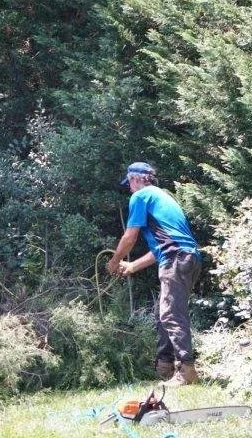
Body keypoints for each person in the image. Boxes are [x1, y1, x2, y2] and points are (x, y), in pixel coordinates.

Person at [107, 161, 201, 386]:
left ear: (137, 179)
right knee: (164, 311)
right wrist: (132, 266)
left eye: (129, 182)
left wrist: (115, 261)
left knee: (171, 314)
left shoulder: (141, 196)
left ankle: (186, 370)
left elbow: (130, 237)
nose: (129, 187)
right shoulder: (161, 197)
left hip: (176, 259)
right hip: (187, 258)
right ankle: (164, 365)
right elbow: (159, 249)